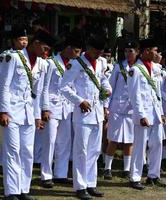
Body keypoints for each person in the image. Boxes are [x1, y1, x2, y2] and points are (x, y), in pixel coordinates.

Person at [0, 29, 54, 200]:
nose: (46, 52)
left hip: (29, 113)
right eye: (44, 48)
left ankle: (23, 189)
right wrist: (3, 111)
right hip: (12, 111)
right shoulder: (13, 58)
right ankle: (11, 191)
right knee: (12, 151)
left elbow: (38, 92)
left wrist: (38, 115)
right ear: (35, 43)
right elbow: (3, 85)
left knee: (27, 152)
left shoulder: (42, 64)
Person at [60, 35, 112, 199]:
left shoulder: (102, 62)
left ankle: (91, 184)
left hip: (97, 113)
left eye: (101, 52)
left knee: (95, 151)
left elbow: (103, 79)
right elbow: (64, 87)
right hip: (82, 113)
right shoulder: (75, 64)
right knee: (81, 150)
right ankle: (80, 187)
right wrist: (79, 101)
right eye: (96, 51)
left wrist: (107, 90)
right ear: (89, 48)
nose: (98, 54)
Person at [39, 35, 83, 188]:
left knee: (64, 141)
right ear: (68, 48)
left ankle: (61, 174)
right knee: (49, 141)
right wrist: (44, 108)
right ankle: (46, 175)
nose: (78, 55)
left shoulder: (74, 64)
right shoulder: (51, 63)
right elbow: (44, 88)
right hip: (52, 106)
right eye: (76, 51)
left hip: (67, 107)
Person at [127, 39, 166, 190]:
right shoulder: (135, 70)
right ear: (146, 51)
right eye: (154, 50)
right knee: (140, 146)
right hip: (143, 114)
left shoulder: (156, 68)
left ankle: (153, 175)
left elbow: (157, 93)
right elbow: (134, 95)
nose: (156, 53)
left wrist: (161, 112)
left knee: (157, 144)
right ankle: (135, 177)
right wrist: (141, 115)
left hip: (155, 113)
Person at [0, 26, 28, 174]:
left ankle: (4, 162)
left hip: (22, 103)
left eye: (26, 39)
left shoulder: (28, 57)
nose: (24, 42)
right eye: (21, 39)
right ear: (14, 41)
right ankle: (1, 162)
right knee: (7, 135)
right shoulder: (6, 56)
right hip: (8, 101)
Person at [103, 41, 139, 180]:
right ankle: (107, 168)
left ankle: (126, 169)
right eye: (126, 51)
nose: (128, 53)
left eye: (131, 51)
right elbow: (110, 87)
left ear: (136, 52)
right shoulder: (119, 67)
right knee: (113, 139)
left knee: (129, 140)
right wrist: (106, 106)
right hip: (117, 107)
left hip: (131, 109)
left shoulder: (139, 68)